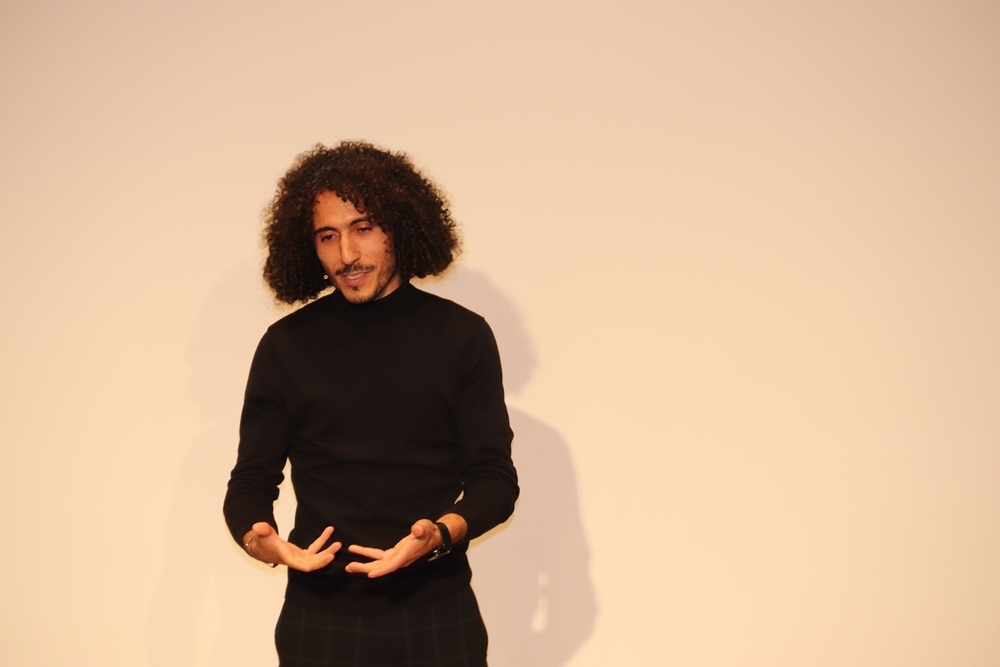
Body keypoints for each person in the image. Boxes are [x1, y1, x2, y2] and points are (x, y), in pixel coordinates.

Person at [223, 141, 519, 667]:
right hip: (319, 619)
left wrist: (439, 535)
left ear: (398, 229)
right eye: (327, 236)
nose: (347, 255)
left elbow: (494, 481)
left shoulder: (462, 337)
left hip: (437, 612)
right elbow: (249, 482)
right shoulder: (286, 346)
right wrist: (258, 537)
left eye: (363, 228)